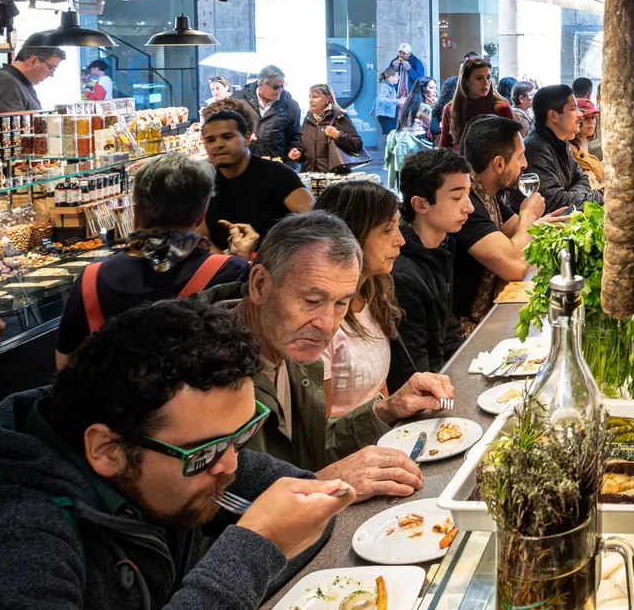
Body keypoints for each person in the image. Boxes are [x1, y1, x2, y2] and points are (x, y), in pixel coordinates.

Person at [0, 300, 354, 610]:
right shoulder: (17, 536)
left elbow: (308, 504)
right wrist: (251, 552)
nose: (232, 466)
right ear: (108, 450)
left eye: (242, 434)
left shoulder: (185, 448)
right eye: (206, 452)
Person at [194, 211, 454, 496]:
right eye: (312, 301)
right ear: (259, 284)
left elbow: (312, 447)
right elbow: (212, 511)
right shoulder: (201, 373)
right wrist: (318, 486)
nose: (327, 324)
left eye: (342, 303)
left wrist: (387, 409)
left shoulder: (289, 345)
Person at [55, 152, 253, 367]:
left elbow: (65, 365)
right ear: (202, 214)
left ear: (136, 212)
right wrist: (240, 263)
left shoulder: (90, 279)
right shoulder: (231, 272)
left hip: (110, 399)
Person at [454, 116, 563, 329]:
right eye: (520, 157)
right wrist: (529, 217)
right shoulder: (469, 206)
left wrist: (539, 224)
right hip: (465, 325)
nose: (525, 164)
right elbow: (515, 266)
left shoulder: (488, 193)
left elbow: (515, 230)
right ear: (499, 164)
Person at [314, 181, 407, 416]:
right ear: (351, 235)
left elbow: (378, 390)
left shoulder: (375, 292)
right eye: (387, 230)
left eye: (398, 227)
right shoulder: (320, 321)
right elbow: (321, 433)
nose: (400, 240)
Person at [391, 148, 471, 387]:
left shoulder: (443, 245)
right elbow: (415, 371)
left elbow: (449, 332)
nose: (469, 207)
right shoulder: (402, 274)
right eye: (457, 198)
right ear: (420, 204)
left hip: (446, 374)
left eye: (468, 195)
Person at [201, 109, 314, 256]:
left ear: (247, 138)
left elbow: (316, 223)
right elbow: (201, 238)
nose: (218, 145)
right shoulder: (202, 181)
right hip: (225, 269)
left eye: (227, 137)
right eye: (210, 140)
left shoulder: (278, 174)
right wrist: (228, 266)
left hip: (274, 267)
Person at [523, 84, 603, 212]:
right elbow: (557, 203)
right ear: (553, 116)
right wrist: (593, 197)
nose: (580, 115)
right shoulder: (536, 149)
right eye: (573, 109)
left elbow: (582, 179)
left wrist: (572, 193)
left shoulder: (561, 142)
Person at [438, 56, 514, 151]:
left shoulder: (501, 107)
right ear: (465, 81)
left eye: (488, 77)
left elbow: (513, 144)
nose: (486, 83)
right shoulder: (451, 109)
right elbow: (444, 148)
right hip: (460, 163)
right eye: (479, 78)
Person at [292, 83, 365, 173]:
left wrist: (338, 135)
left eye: (315, 97)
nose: (311, 100)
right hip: (310, 176)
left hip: (334, 177)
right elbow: (303, 149)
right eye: (309, 97)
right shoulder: (307, 119)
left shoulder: (339, 117)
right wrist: (297, 154)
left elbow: (357, 144)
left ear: (328, 99)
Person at [241, 64, 302, 163]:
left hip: (276, 166)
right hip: (244, 164)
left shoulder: (291, 105)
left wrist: (295, 150)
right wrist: (242, 135)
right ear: (261, 84)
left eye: (283, 85)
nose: (280, 90)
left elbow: (295, 136)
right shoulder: (240, 100)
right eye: (276, 87)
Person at [0, 44, 64, 112]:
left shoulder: (20, 83)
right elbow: (10, 121)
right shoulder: (7, 82)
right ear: (33, 61)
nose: (52, 75)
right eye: (50, 68)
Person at [569, 97, 604, 189]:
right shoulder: (571, 148)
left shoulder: (583, 139)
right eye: (585, 117)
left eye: (593, 117)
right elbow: (598, 174)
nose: (591, 121)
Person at [372, 68, 400, 136]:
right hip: (386, 116)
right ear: (391, 77)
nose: (398, 78)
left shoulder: (389, 87)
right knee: (390, 135)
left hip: (389, 114)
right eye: (397, 76)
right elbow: (380, 99)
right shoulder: (385, 87)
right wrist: (397, 101)